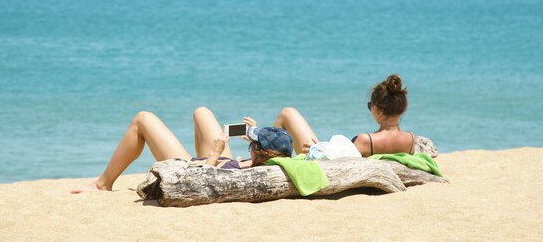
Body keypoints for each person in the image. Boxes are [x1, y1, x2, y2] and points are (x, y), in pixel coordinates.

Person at [71, 106, 293, 193]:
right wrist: (256, 137)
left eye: (254, 145)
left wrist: (215, 153)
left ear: (261, 153)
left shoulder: (256, 173)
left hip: (194, 168)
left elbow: (202, 181)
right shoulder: (267, 163)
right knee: (202, 112)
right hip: (220, 161)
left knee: (143, 119)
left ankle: (103, 184)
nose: (250, 146)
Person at [273, 74, 416, 158]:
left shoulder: (366, 140)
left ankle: (266, 158)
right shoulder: (410, 140)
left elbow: (337, 163)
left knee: (287, 113)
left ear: (377, 110)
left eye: (370, 105)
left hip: (322, 170)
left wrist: (317, 149)